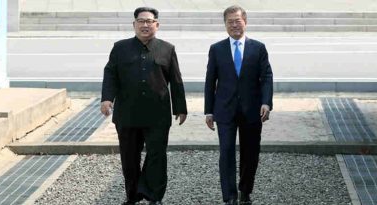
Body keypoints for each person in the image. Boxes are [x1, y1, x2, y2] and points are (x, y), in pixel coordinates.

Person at [100, 7, 187, 205]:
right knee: (129, 158)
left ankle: (154, 196)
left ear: (157, 25)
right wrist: (107, 99)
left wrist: (180, 108)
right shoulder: (120, 48)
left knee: (157, 156)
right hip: (127, 114)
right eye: (141, 21)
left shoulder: (167, 49)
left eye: (149, 21)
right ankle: (132, 196)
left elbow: (176, 80)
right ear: (134, 25)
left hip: (158, 114)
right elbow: (110, 74)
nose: (145, 25)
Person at [204, 5, 273, 205]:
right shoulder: (216, 49)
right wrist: (208, 110)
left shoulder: (258, 48)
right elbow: (210, 81)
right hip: (224, 110)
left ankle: (245, 192)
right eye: (230, 21)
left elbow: (266, 77)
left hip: (252, 110)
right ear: (225, 24)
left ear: (245, 22)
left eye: (238, 20)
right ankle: (229, 196)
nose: (234, 25)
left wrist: (266, 103)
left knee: (250, 153)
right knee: (226, 152)